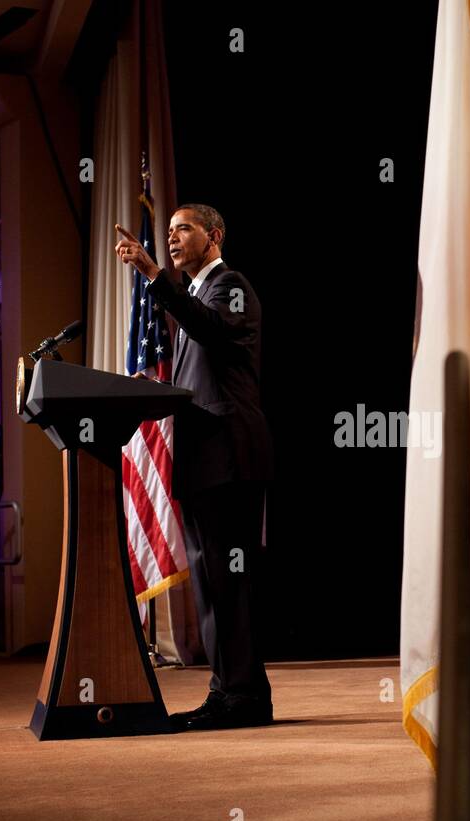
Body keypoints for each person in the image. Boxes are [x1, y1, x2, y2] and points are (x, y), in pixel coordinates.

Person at [115, 204, 274, 730]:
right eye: (169, 232)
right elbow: (197, 381)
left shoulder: (228, 286)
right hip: (204, 458)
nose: (173, 237)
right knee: (210, 582)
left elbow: (213, 331)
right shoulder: (194, 300)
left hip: (229, 457)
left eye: (184, 229)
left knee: (231, 579)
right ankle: (225, 690)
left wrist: (153, 275)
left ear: (214, 235)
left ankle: (246, 697)